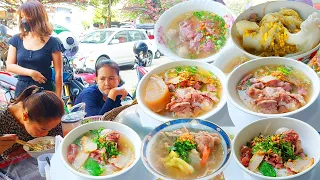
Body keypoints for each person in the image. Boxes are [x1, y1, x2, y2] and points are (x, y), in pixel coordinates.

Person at [6, 1, 62, 98]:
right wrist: (31, 73)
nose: (23, 20)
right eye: (22, 17)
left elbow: (58, 74)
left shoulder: (53, 42)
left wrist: (58, 98)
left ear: (37, 17)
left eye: (26, 16)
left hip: (44, 92)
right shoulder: (16, 39)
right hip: (22, 91)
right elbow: (10, 66)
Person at [0, 85, 64, 167]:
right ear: (25, 116)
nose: (45, 134)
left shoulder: (51, 115)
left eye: (50, 129)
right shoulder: (3, 120)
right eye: (42, 129)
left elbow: (59, 140)